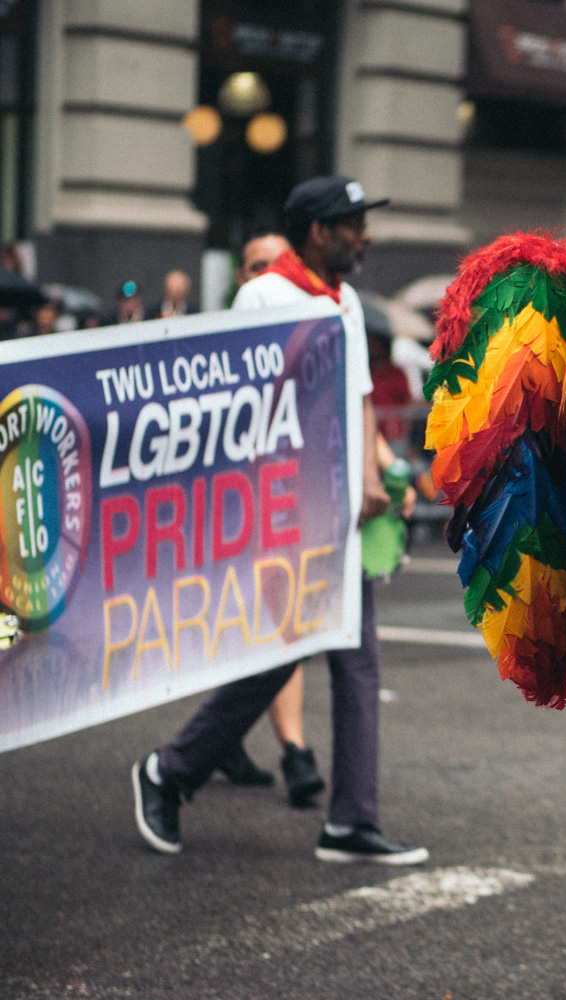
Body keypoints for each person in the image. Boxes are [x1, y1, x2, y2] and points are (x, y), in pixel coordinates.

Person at [131, 175, 428, 865]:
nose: (365, 235)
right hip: (286, 513)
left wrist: (371, 476)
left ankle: (351, 819)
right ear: (319, 231)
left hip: (339, 510)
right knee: (279, 657)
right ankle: (168, 771)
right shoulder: (264, 295)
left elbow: (356, 398)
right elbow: (241, 407)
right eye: (353, 223)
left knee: (356, 663)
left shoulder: (346, 300)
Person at [207, 229, 323, 797]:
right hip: (240, 502)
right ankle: (275, 747)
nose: (269, 276)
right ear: (240, 276)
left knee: (278, 621)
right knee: (249, 622)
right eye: (257, 265)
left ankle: (288, 748)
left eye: (279, 264)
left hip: (292, 501)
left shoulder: (315, 321)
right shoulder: (236, 329)